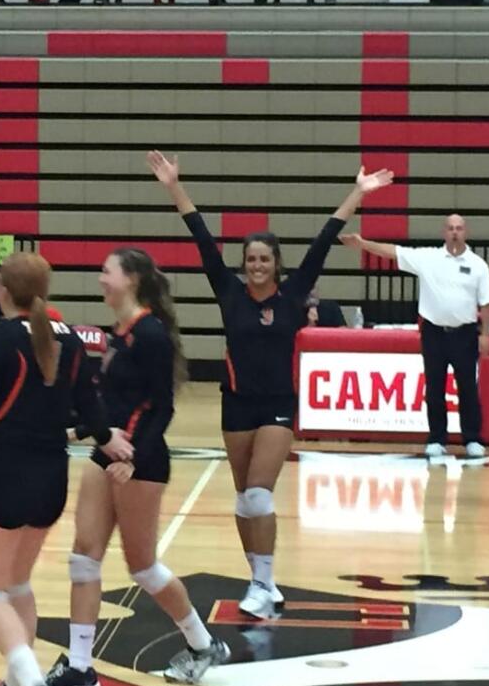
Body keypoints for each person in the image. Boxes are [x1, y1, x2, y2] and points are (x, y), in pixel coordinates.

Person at [147, 151, 392, 620]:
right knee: (244, 501)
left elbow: (323, 241)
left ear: (276, 264)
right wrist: (174, 187)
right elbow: (201, 239)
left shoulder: (294, 294)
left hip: (279, 405)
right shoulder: (230, 294)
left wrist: (358, 193)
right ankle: (265, 580)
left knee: (259, 494)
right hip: (236, 403)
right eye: (251, 259)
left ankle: (261, 583)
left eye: (265, 259)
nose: (257, 265)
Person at [0, 252, 132, 686]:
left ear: (2, 291)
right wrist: (105, 436)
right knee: (16, 583)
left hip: (5, 477)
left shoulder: (1, 338)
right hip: (52, 481)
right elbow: (91, 407)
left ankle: (35, 684)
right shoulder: (72, 340)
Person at [47, 247, 230, 686]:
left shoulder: (151, 334)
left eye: (106, 271)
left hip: (141, 461)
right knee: (82, 558)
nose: (100, 279)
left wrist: (132, 458)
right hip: (106, 454)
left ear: (130, 279)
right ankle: (80, 665)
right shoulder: (120, 333)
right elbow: (113, 402)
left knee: (142, 566)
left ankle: (202, 643)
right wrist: (81, 431)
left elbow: (160, 406)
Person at [341, 214, 489, 460]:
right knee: (434, 387)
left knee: (467, 388)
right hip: (434, 332)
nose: (455, 232)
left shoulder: (478, 265)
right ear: (444, 232)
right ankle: (436, 439)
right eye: (450, 228)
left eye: (459, 228)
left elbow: (486, 303)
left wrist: (485, 334)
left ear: (466, 232)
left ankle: (473, 439)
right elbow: (393, 251)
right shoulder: (428, 258)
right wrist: (363, 243)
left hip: (465, 334)